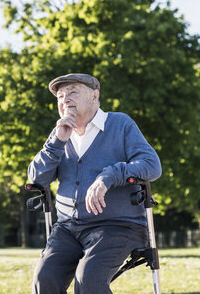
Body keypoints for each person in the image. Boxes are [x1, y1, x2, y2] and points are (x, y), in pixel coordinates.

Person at [28, 73, 161, 294]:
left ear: (94, 95)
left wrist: (108, 176)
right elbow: (36, 178)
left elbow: (151, 165)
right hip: (68, 229)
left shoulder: (120, 124)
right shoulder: (59, 135)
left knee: (88, 279)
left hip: (117, 226)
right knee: (45, 279)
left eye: (72, 92)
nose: (65, 99)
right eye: (60, 96)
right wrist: (56, 142)